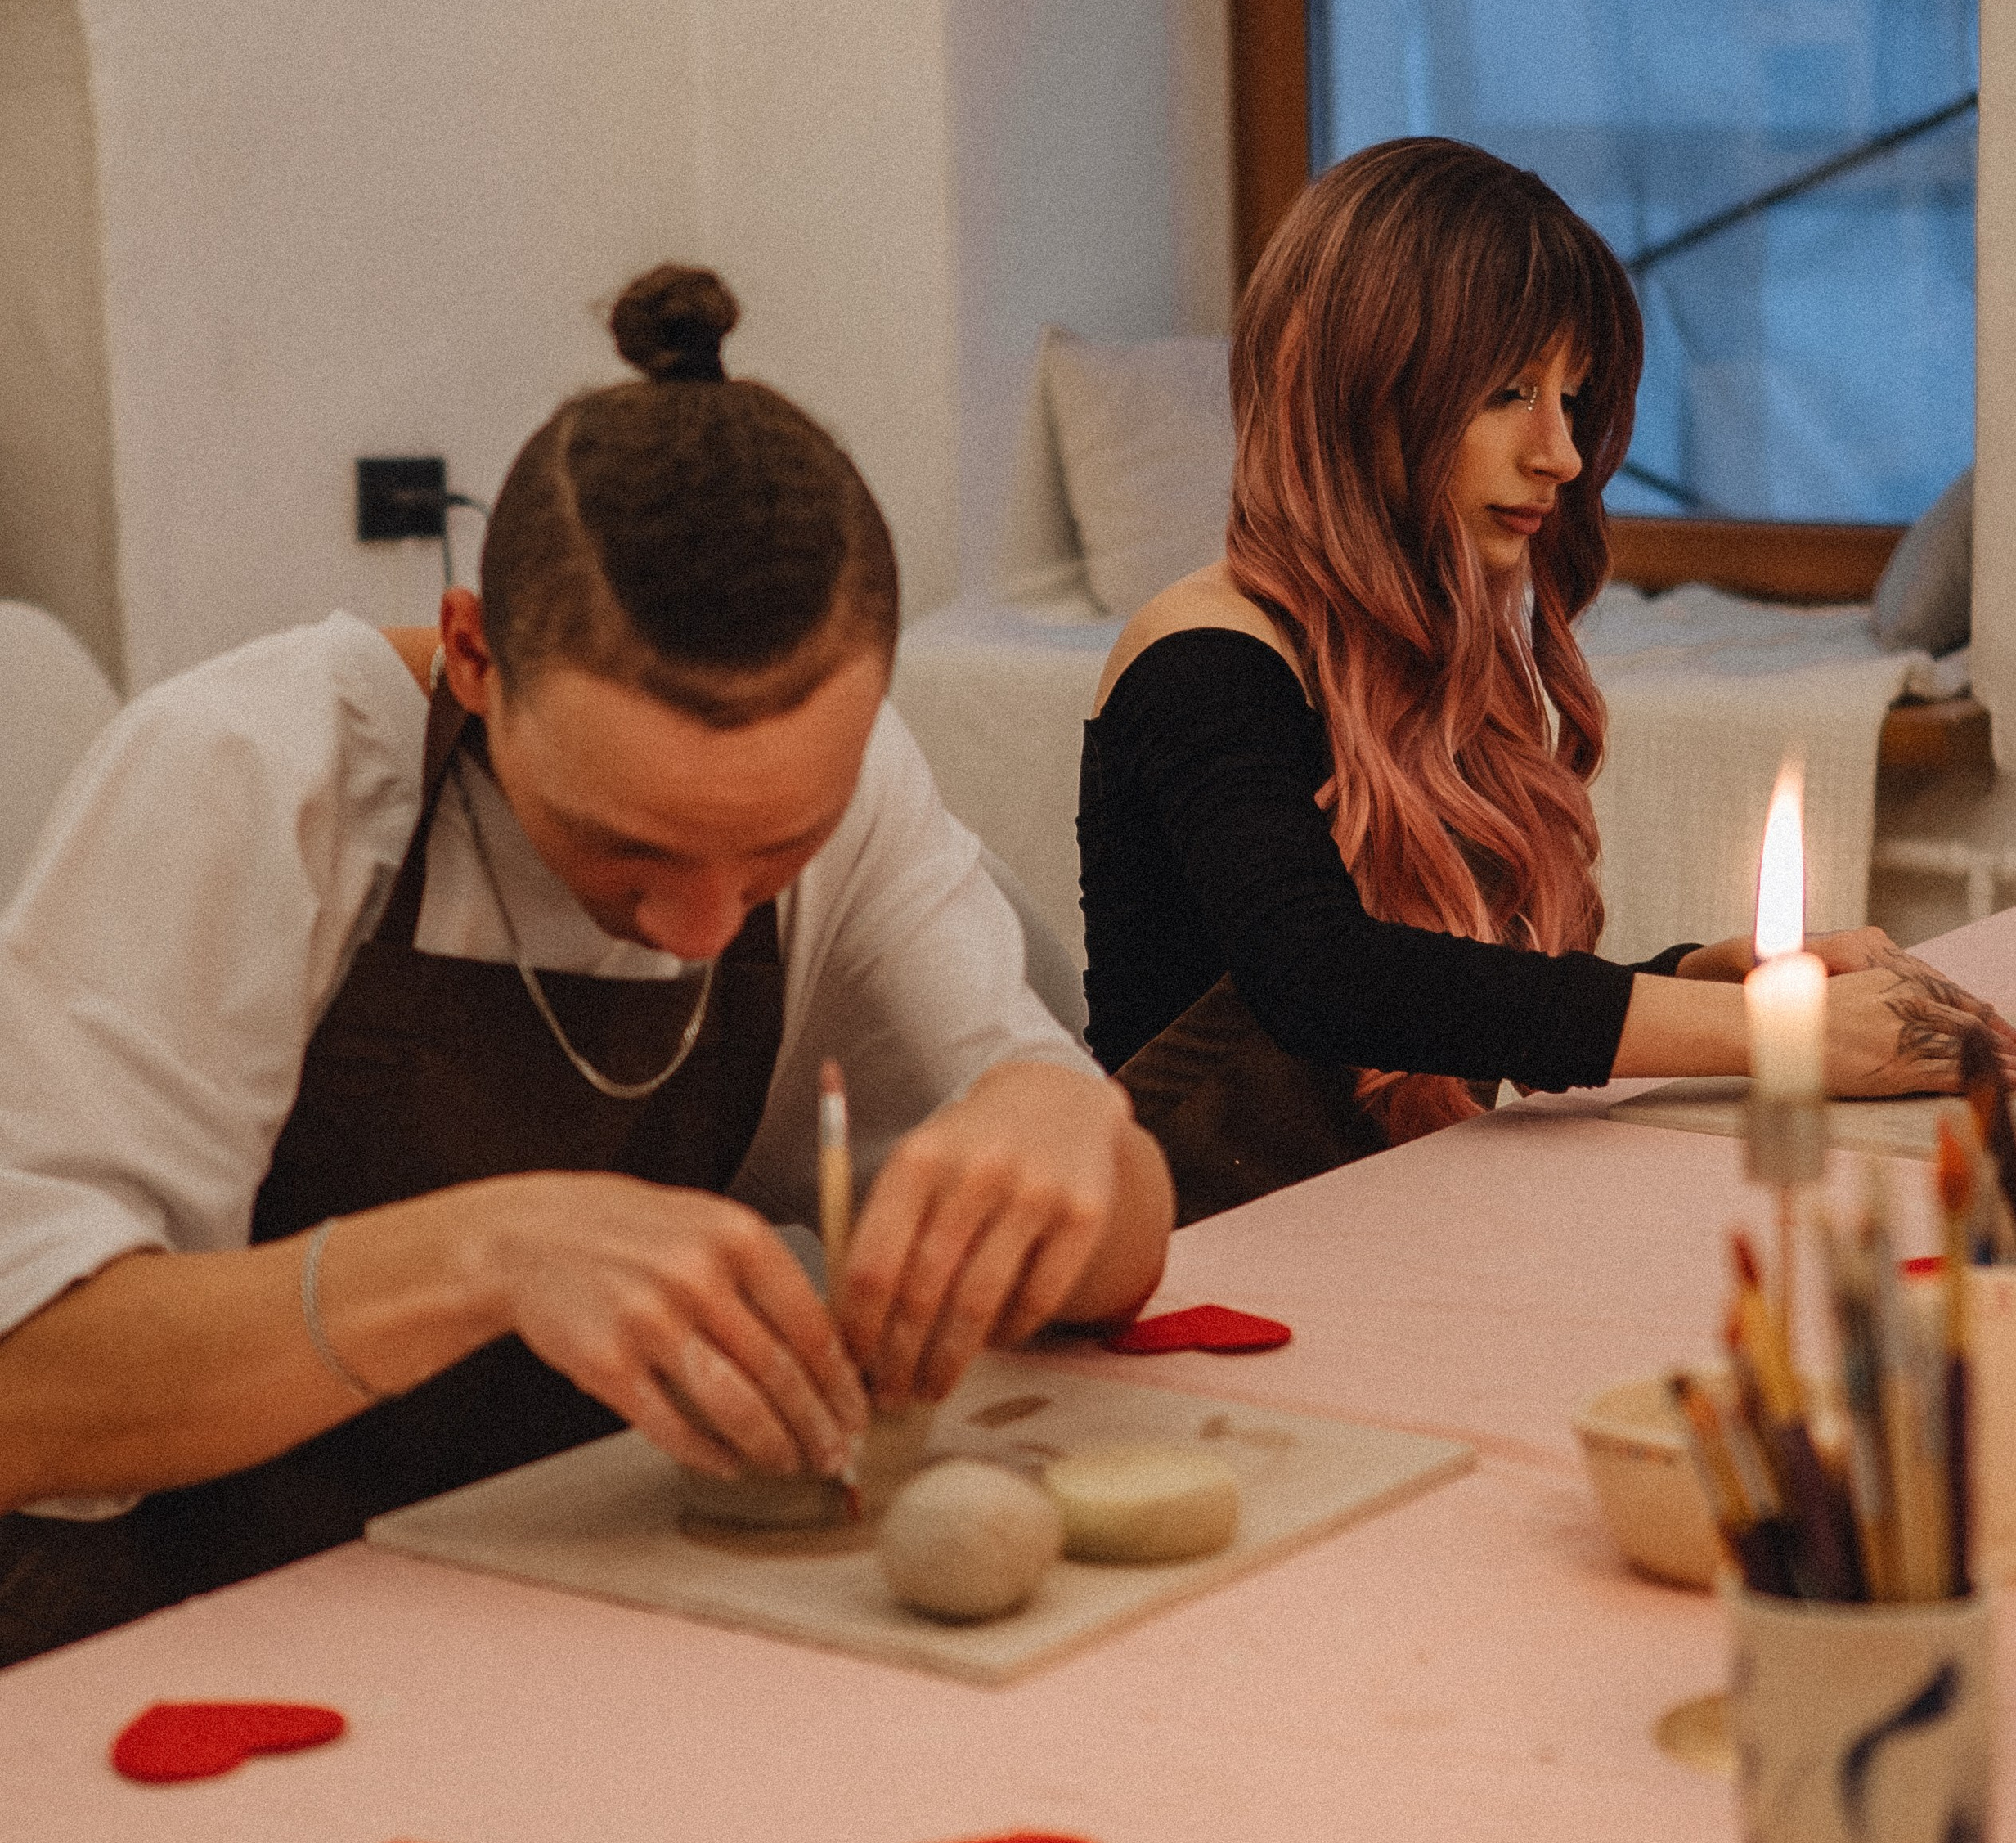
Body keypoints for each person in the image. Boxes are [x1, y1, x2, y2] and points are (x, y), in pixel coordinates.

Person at [0, 266, 1170, 1661]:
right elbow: (31, 1391)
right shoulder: (255, 776)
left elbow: (1126, 1254)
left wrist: (1062, 1113)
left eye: (776, 854)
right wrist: (485, 1251)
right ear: (477, 654)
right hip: (187, 1631)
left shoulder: (855, 796)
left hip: (570, 1598)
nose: (702, 924)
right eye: (628, 852)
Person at [1078, 138, 2016, 1223]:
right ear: (1357, 390)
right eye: (1511, 391)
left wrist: (1717, 974)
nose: (1563, 454)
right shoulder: (1203, 653)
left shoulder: (1422, 653)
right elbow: (1324, 976)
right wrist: (1779, 1037)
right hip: (1187, 1257)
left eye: (1573, 398)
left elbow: (1456, 1000)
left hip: (1360, 1225)